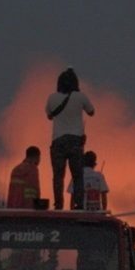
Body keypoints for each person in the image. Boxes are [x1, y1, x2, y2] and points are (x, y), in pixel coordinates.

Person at [46, 67, 95, 210]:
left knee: (58, 176)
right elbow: (91, 112)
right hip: (75, 141)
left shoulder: (52, 97)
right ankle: (78, 204)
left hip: (58, 141)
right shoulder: (80, 97)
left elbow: (49, 116)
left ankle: (58, 204)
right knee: (77, 176)